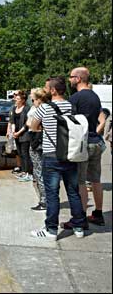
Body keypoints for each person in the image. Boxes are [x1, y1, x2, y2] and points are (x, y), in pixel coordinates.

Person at [30, 77, 87, 240]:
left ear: (53, 90)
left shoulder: (44, 108)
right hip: (71, 154)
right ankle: (78, 227)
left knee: (52, 194)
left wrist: (45, 126)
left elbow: (33, 126)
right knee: (73, 192)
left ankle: (51, 230)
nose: (45, 90)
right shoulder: (71, 106)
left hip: (51, 155)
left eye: (47, 88)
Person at [66, 67, 105, 227]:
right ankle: (98, 213)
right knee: (96, 180)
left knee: (80, 181)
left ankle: (80, 218)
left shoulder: (75, 98)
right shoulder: (95, 97)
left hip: (84, 144)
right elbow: (100, 118)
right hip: (97, 142)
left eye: (71, 77)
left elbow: (68, 121)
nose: (69, 80)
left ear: (79, 79)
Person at [26, 88, 50, 211]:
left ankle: (44, 201)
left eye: (34, 99)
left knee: (39, 171)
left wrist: (32, 124)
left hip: (37, 140)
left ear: (39, 99)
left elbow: (34, 125)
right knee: (40, 171)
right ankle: (45, 199)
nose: (32, 101)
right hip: (38, 140)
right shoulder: (45, 108)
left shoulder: (41, 109)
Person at [10, 90, 32, 181]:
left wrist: (19, 132)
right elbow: (12, 121)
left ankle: (28, 172)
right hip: (17, 134)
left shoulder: (27, 109)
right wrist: (13, 131)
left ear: (23, 100)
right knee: (19, 153)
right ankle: (23, 171)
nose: (16, 100)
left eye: (18, 99)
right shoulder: (14, 108)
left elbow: (27, 123)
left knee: (25, 153)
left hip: (24, 134)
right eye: (16, 98)